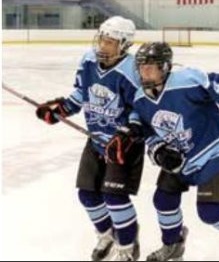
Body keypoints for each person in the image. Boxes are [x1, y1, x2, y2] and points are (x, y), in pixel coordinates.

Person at [118, 41, 219, 261]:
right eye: (141, 67)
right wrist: (159, 150)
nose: (145, 73)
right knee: (163, 200)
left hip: (211, 153)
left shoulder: (187, 80)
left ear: (165, 67)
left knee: (210, 212)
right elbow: (145, 130)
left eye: (150, 67)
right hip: (179, 158)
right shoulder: (140, 98)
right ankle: (173, 245)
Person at [34, 17, 144, 261]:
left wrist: (130, 132)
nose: (103, 46)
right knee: (87, 194)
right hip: (96, 141)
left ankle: (127, 245)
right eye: (102, 39)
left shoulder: (132, 71)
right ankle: (107, 234)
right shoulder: (88, 60)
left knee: (114, 197)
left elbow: (141, 108)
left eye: (110, 42)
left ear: (124, 45)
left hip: (122, 146)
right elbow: (81, 93)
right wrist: (60, 110)